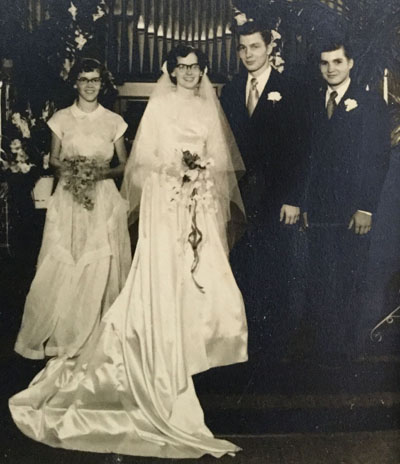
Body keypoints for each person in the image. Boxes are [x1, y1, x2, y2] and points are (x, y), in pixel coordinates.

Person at [9, 45, 248, 458]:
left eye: (194, 67)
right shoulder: (160, 104)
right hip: (165, 194)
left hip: (198, 196)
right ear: (170, 71)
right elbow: (145, 159)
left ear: (201, 71)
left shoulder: (210, 106)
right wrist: (177, 171)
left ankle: (196, 339)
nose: (188, 74)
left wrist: (201, 173)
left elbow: (217, 155)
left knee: (204, 268)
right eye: (181, 67)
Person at [13, 58, 131, 359]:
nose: (90, 85)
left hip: (102, 197)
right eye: (84, 79)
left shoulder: (114, 121)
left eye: (95, 79)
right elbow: (52, 160)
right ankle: (62, 333)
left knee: (99, 258)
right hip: (68, 196)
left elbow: (124, 165)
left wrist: (96, 174)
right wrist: (73, 169)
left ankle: (93, 331)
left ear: (102, 84)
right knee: (66, 255)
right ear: (75, 83)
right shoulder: (61, 119)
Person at [220, 20, 307, 358]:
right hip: (239, 196)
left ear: (270, 46)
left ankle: (275, 350)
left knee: (276, 269)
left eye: (254, 46)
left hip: (277, 197)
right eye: (242, 48)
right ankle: (245, 344)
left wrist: (293, 199)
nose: (247, 54)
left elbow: (303, 150)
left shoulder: (293, 89)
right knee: (241, 266)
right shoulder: (230, 90)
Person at [303, 39, 391, 362]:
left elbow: (376, 158)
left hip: (355, 210)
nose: (330, 69)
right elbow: (308, 158)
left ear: (351, 63)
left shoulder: (369, 103)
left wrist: (366, 207)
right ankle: (323, 353)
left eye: (337, 62)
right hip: (320, 210)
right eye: (325, 63)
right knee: (320, 278)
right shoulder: (313, 102)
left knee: (350, 278)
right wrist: (306, 205)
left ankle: (346, 355)